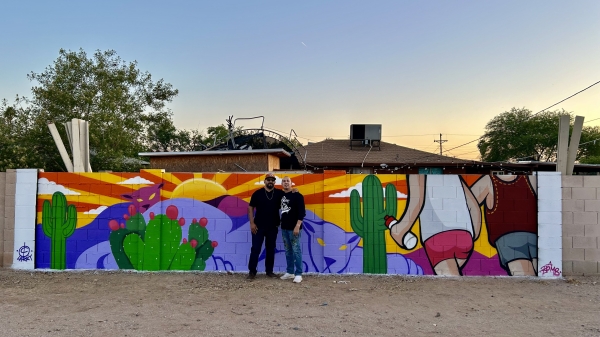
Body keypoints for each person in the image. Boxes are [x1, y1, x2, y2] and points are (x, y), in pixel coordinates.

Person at [247, 173, 285, 280]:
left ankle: (269, 271)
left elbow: (289, 196)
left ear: (274, 182)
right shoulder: (257, 193)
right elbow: (250, 208)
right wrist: (252, 223)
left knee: (270, 249)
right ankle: (252, 272)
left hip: (273, 227)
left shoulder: (279, 193)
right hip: (258, 227)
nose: (270, 181)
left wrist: (294, 190)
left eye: (272, 180)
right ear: (265, 181)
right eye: (268, 179)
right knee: (255, 249)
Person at [279, 176, 306, 283]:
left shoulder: (298, 196)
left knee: (296, 250)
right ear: (281, 184)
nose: (286, 183)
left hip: (294, 228)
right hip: (284, 228)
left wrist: (297, 226)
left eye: (288, 181)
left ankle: (299, 273)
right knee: (288, 250)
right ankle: (290, 272)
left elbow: (302, 212)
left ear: (291, 183)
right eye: (284, 181)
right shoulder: (281, 195)